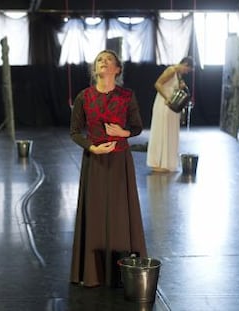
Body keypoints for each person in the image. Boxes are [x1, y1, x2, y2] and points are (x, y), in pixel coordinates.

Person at [69, 50, 147, 288]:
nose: (103, 62)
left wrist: (124, 133)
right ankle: (92, 272)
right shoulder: (84, 96)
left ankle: (121, 271)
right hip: (95, 161)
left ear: (117, 69)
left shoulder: (126, 96)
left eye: (108, 60)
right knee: (95, 214)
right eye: (99, 60)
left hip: (119, 162)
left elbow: (137, 127)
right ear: (95, 69)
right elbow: (74, 132)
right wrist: (92, 147)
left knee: (120, 215)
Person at [146, 57, 193, 172]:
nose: (186, 72)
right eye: (187, 69)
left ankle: (166, 163)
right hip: (164, 104)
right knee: (162, 131)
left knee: (170, 132)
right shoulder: (171, 70)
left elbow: (172, 87)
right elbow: (158, 84)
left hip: (172, 105)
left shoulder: (178, 74)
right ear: (185, 64)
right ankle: (157, 162)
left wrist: (180, 87)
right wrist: (167, 98)